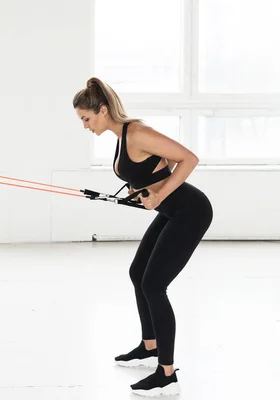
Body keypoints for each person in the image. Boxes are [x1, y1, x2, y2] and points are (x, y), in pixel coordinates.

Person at [73, 77, 213, 396]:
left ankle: (167, 374)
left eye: (86, 118)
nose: (85, 125)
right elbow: (149, 174)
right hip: (172, 212)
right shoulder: (121, 137)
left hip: (191, 212)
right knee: (138, 274)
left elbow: (188, 158)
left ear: (103, 110)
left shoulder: (136, 132)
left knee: (153, 285)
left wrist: (160, 193)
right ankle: (149, 346)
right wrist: (144, 193)